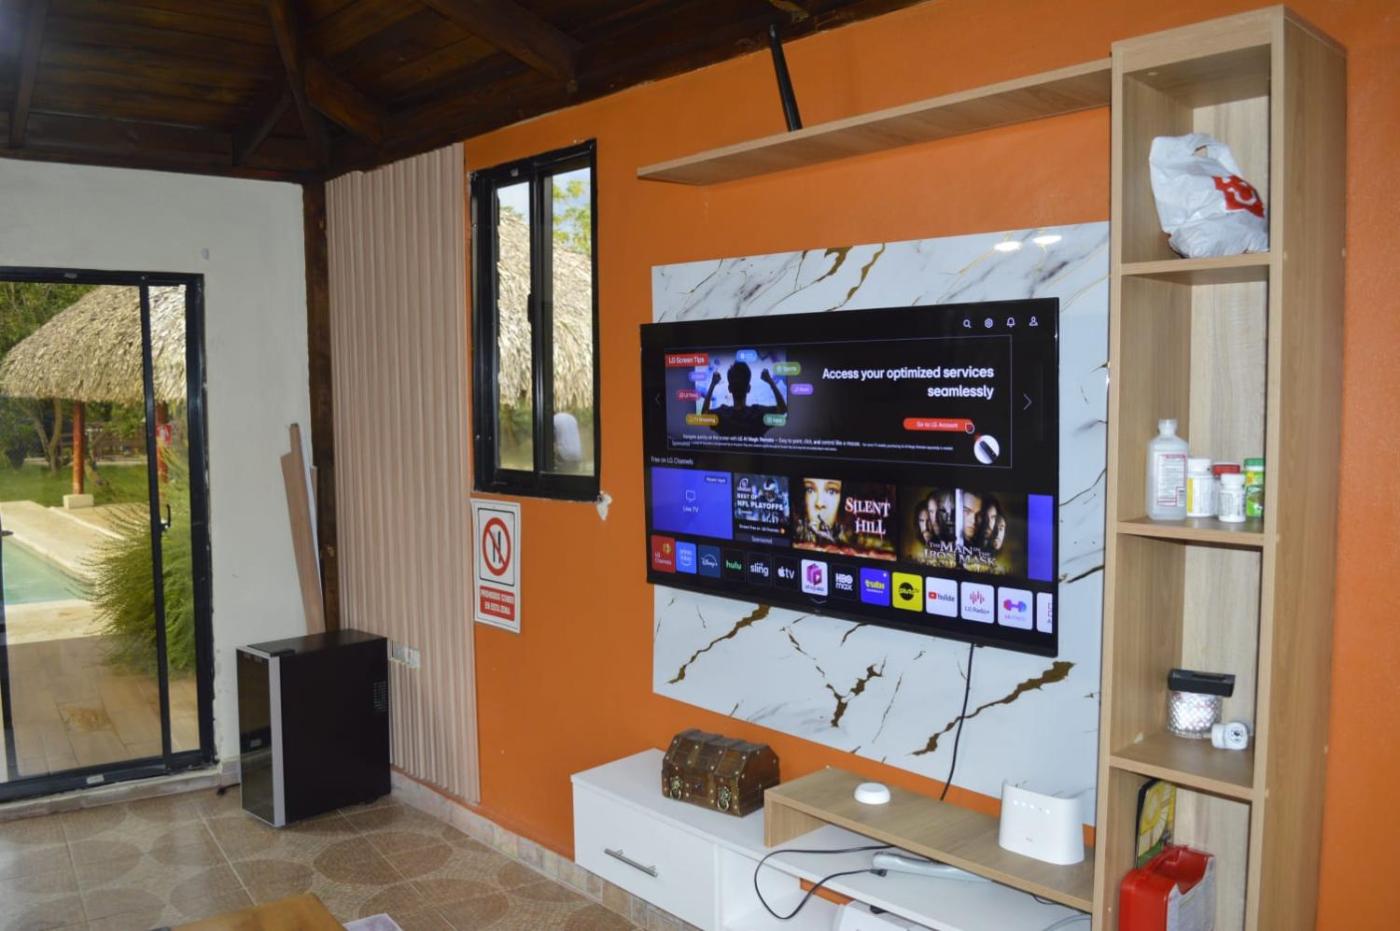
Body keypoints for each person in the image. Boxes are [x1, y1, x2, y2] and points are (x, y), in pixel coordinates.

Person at [701, 360, 787, 437]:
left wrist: (713, 384)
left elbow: (704, 413)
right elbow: (782, 409)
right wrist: (770, 381)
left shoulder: (722, 414)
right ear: (749, 388)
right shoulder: (758, 413)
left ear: (729, 389)